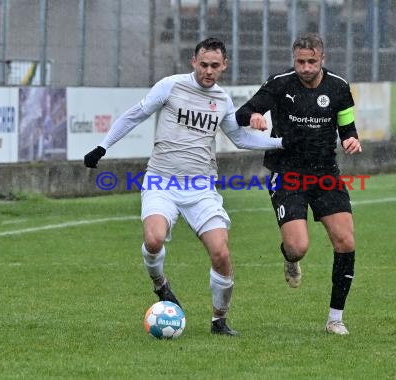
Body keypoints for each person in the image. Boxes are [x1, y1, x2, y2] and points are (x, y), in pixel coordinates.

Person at [84, 37, 294, 336]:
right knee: (154, 239)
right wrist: (102, 146)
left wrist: (281, 142)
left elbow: (239, 138)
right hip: (161, 181)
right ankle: (161, 286)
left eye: (215, 66)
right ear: (193, 62)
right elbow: (135, 115)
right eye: (204, 64)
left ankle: (219, 320)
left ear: (224, 66)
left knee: (221, 253)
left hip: (201, 187)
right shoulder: (171, 86)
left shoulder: (222, 100)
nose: (208, 71)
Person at [235, 32, 362, 335]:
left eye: (311, 62)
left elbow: (347, 128)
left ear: (323, 59)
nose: (305, 67)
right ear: (294, 60)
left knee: (345, 242)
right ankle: (290, 258)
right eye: (300, 61)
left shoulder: (339, 87)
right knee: (298, 246)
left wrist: (351, 140)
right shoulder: (279, 84)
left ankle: (335, 319)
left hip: (325, 174)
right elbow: (242, 113)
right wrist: (253, 116)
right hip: (288, 173)